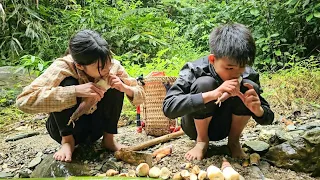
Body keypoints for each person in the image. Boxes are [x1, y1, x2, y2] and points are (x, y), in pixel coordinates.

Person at [16, 29, 145, 162]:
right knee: (67, 83)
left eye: (108, 63)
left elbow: (141, 93)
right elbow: (23, 101)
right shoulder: (63, 66)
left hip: (96, 127)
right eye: (100, 67)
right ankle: (67, 142)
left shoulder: (112, 66)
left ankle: (109, 140)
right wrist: (74, 91)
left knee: (116, 82)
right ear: (80, 65)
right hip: (64, 129)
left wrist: (124, 87)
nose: (106, 69)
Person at [163, 23, 274, 161]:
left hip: (225, 127)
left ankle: (234, 142)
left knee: (249, 87)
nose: (236, 74)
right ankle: (202, 141)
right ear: (212, 59)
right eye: (229, 68)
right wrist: (212, 94)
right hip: (194, 127)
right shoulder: (195, 69)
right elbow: (169, 107)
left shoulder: (248, 75)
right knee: (204, 84)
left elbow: (269, 118)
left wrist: (258, 110)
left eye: (241, 67)